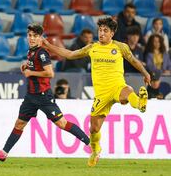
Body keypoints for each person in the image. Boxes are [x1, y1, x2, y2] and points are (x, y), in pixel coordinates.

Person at [40, 17, 150, 167]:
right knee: (94, 129)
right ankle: (95, 150)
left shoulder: (120, 47)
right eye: (100, 30)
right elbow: (70, 54)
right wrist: (47, 45)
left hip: (117, 86)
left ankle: (140, 103)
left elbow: (134, 61)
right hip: (101, 94)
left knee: (127, 93)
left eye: (105, 31)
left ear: (112, 33)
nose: (101, 33)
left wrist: (145, 73)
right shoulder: (92, 48)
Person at [0, 23, 90, 162]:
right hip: (31, 96)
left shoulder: (42, 53)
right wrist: (27, 65)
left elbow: (50, 73)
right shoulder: (31, 52)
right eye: (30, 35)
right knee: (19, 124)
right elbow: (34, 66)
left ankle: (91, 144)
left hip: (43, 96)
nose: (32, 38)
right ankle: (4, 153)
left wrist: (30, 72)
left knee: (62, 123)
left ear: (41, 37)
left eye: (35, 36)